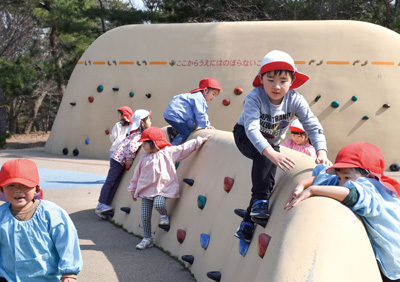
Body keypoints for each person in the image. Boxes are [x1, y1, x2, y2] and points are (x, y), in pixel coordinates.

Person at [233, 50, 331, 243]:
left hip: (271, 142)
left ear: (292, 81)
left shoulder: (295, 100)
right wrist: (271, 153)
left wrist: (321, 151)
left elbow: (312, 124)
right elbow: (252, 128)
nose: (276, 86)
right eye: (270, 79)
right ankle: (259, 203)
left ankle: (246, 224)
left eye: (283, 81)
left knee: (268, 181)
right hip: (245, 135)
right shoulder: (255, 97)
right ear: (261, 79)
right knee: (264, 159)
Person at [285, 142, 400, 282]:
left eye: (346, 178)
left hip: (394, 260)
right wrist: (303, 184)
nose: (341, 183)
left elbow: (352, 196)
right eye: (340, 178)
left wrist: (313, 190)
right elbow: (327, 178)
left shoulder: (372, 189)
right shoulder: (356, 179)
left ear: (369, 175)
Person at [0, 159, 83, 282]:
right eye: (11, 185)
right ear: (2, 189)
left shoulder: (52, 213)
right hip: (9, 277)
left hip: (46, 278)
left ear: (36, 189)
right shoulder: (2, 216)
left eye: (25, 185)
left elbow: (67, 241)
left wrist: (69, 272)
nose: (18, 190)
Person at [127, 127, 210, 250]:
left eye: (145, 143)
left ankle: (163, 215)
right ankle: (147, 238)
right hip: (145, 190)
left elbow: (183, 148)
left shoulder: (168, 152)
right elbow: (136, 174)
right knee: (145, 216)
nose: (143, 146)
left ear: (154, 142)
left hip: (162, 188)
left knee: (159, 204)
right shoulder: (144, 157)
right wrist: (133, 188)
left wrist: (199, 141)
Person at [96, 109, 151, 218]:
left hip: (119, 159)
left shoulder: (136, 133)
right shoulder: (138, 135)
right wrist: (129, 160)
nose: (150, 122)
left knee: (115, 182)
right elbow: (131, 148)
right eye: (149, 119)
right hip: (118, 160)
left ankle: (106, 204)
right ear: (142, 122)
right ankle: (101, 204)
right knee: (110, 181)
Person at [163, 77, 222, 145]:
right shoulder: (199, 99)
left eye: (215, 96)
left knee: (187, 128)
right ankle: (171, 148)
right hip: (175, 116)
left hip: (172, 115)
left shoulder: (194, 96)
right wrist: (206, 125)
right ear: (205, 90)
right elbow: (200, 114)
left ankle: (174, 132)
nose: (213, 98)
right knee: (184, 133)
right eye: (213, 94)